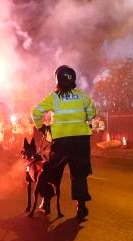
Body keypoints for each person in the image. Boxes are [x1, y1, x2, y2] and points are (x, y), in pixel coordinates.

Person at [32, 65, 96, 219]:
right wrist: (83, 119)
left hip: (60, 142)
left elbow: (36, 112)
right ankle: (81, 207)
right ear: (73, 79)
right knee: (79, 174)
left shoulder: (54, 97)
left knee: (52, 172)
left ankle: (46, 203)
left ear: (57, 79)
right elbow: (92, 113)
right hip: (81, 142)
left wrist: (43, 128)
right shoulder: (82, 96)